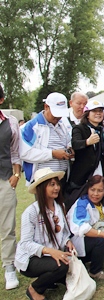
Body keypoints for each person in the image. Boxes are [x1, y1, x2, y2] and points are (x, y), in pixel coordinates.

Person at [15, 168, 75, 300]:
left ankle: (50, 280)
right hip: (30, 258)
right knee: (62, 266)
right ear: (42, 188)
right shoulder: (31, 212)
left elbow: (63, 232)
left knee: (70, 267)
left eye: (57, 184)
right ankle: (34, 289)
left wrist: (67, 242)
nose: (57, 188)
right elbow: (25, 243)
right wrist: (50, 251)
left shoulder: (60, 207)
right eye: (51, 185)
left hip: (49, 254)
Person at [68, 175, 104, 280]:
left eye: (100, 190)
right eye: (92, 190)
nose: (95, 194)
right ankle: (94, 271)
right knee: (102, 241)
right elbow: (80, 228)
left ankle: (91, 259)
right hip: (77, 243)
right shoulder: (82, 204)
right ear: (88, 189)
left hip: (92, 239)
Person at [20, 92, 74, 188]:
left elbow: (68, 142)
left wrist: (69, 150)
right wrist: (52, 154)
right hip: (43, 180)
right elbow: (24, 153)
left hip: (63, 178)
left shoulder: (63, 125)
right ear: (46, 107)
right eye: (55, 113)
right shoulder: (31, 127)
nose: (58, 117)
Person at [66, 100, 104, 210]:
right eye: (94, 111)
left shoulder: (101, 130)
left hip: (99, 174)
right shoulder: (79, 128)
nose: (98, 113)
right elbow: (75, 144)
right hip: (82, 178)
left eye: (100, 111)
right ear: (87, 114)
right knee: (80, 207)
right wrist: (87, 142)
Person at [0, 84, 21, 290]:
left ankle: (9, 267)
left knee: (7, 227)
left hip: (4, 178)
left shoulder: (11, 122)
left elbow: (15, 151)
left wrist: (16, 174)